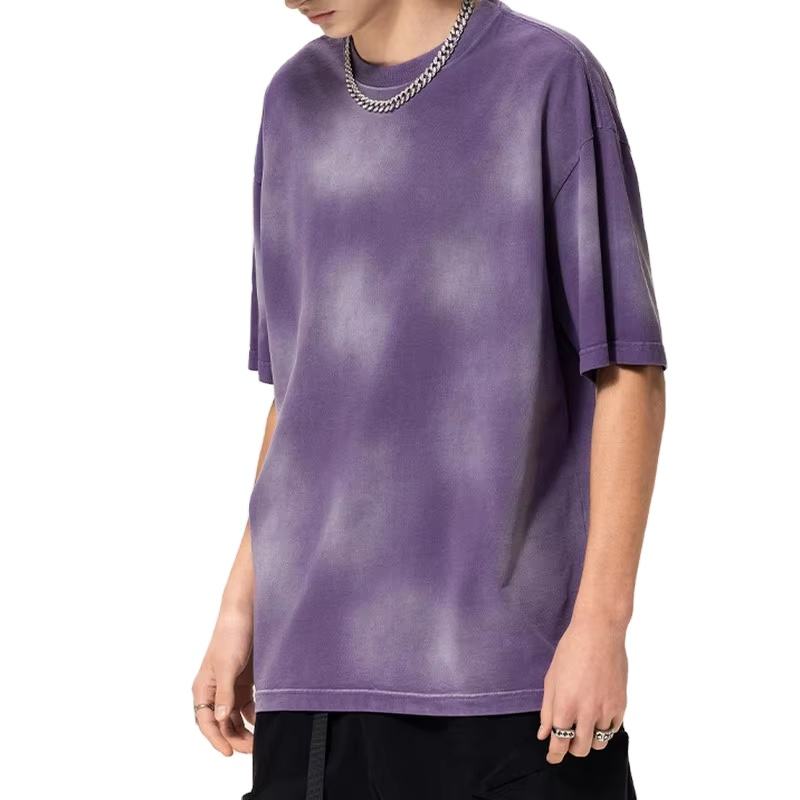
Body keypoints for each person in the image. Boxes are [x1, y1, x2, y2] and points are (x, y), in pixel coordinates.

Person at [192, 0, 667, 797]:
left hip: (511, 684)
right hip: (312, 680)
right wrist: (240, 606)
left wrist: (601, 622)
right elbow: (304, 399)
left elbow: (627, 370)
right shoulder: (291, 104)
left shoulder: (545, 80)